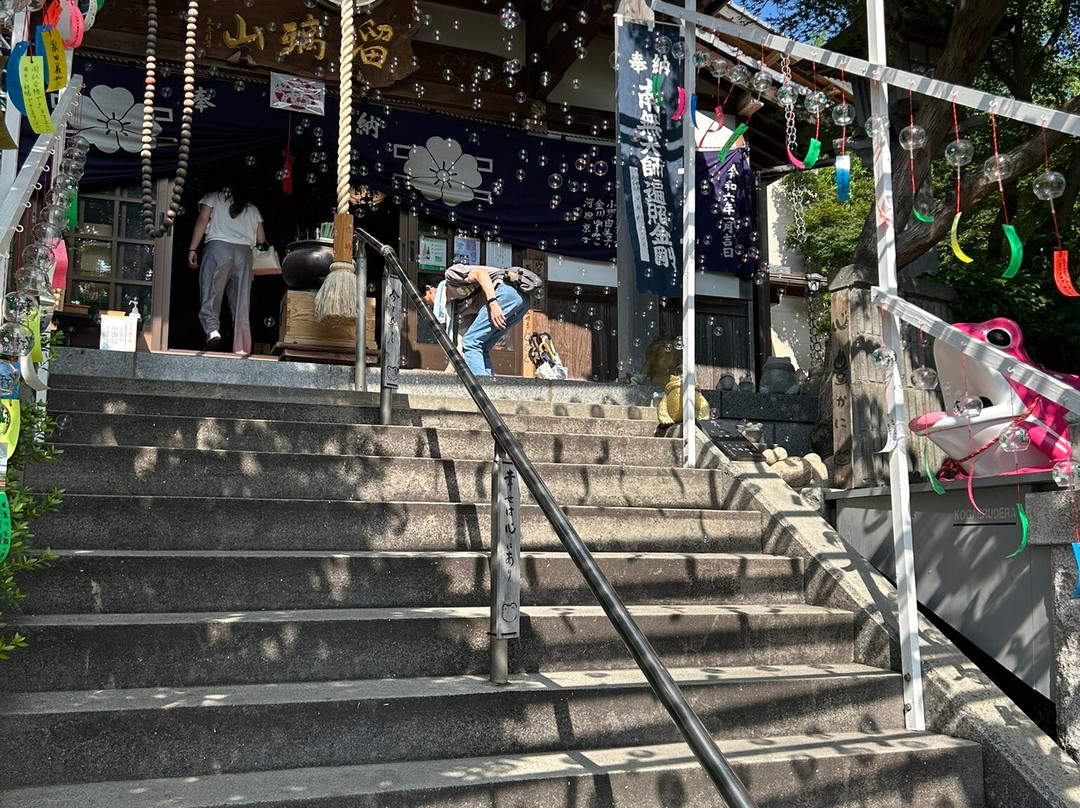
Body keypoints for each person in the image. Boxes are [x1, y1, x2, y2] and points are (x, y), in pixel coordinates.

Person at [423, 263, 540, 377]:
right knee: (481, 346)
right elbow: (461, 348)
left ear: (429, 289)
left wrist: (493, 302)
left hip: (507, 292)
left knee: (471, 342)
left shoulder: (452, 276)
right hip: (521, 302)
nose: (427, 306)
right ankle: (488, 386)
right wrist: (445, 377)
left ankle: (481, 386)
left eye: (424, 301)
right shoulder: (459, 309)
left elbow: (481, 274)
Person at [188, 185, 266, 353]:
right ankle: (242, 347)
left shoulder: (213, 197)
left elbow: (202, 220)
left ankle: (212, 329)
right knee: (241, 301)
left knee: (211, 290)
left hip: (218, 248)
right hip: (244, 254)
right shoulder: (252, 208)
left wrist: (193, 248)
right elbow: (261, 238)